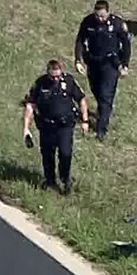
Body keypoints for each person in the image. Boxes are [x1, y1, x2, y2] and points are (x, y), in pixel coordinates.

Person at [22, 60, 90, 195]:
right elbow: (30, 105)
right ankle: (50, 181)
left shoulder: (69, 81)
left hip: (65, 126)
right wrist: (26, 128)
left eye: (58, 76)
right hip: (47, 126)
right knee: (47, 156)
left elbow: (81, 99)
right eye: (52, 77)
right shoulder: (40, 84)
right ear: (48, 73)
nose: (55, 79)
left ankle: (65, 180)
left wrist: (85, 120)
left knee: (66, 153)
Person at [74, 0, 131, 140]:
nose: (100, 19)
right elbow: (80, 40)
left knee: (106, 95)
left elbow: (126, 45)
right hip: (93, 62)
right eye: (97, 16)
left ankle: (101, 129)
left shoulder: (117, 24)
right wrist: (78, 60)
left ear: (108, 12)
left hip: (110, 63)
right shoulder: (88, 22)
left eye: (103, 16)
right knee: (97, 91)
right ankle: (103, 112)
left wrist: (125, 64)